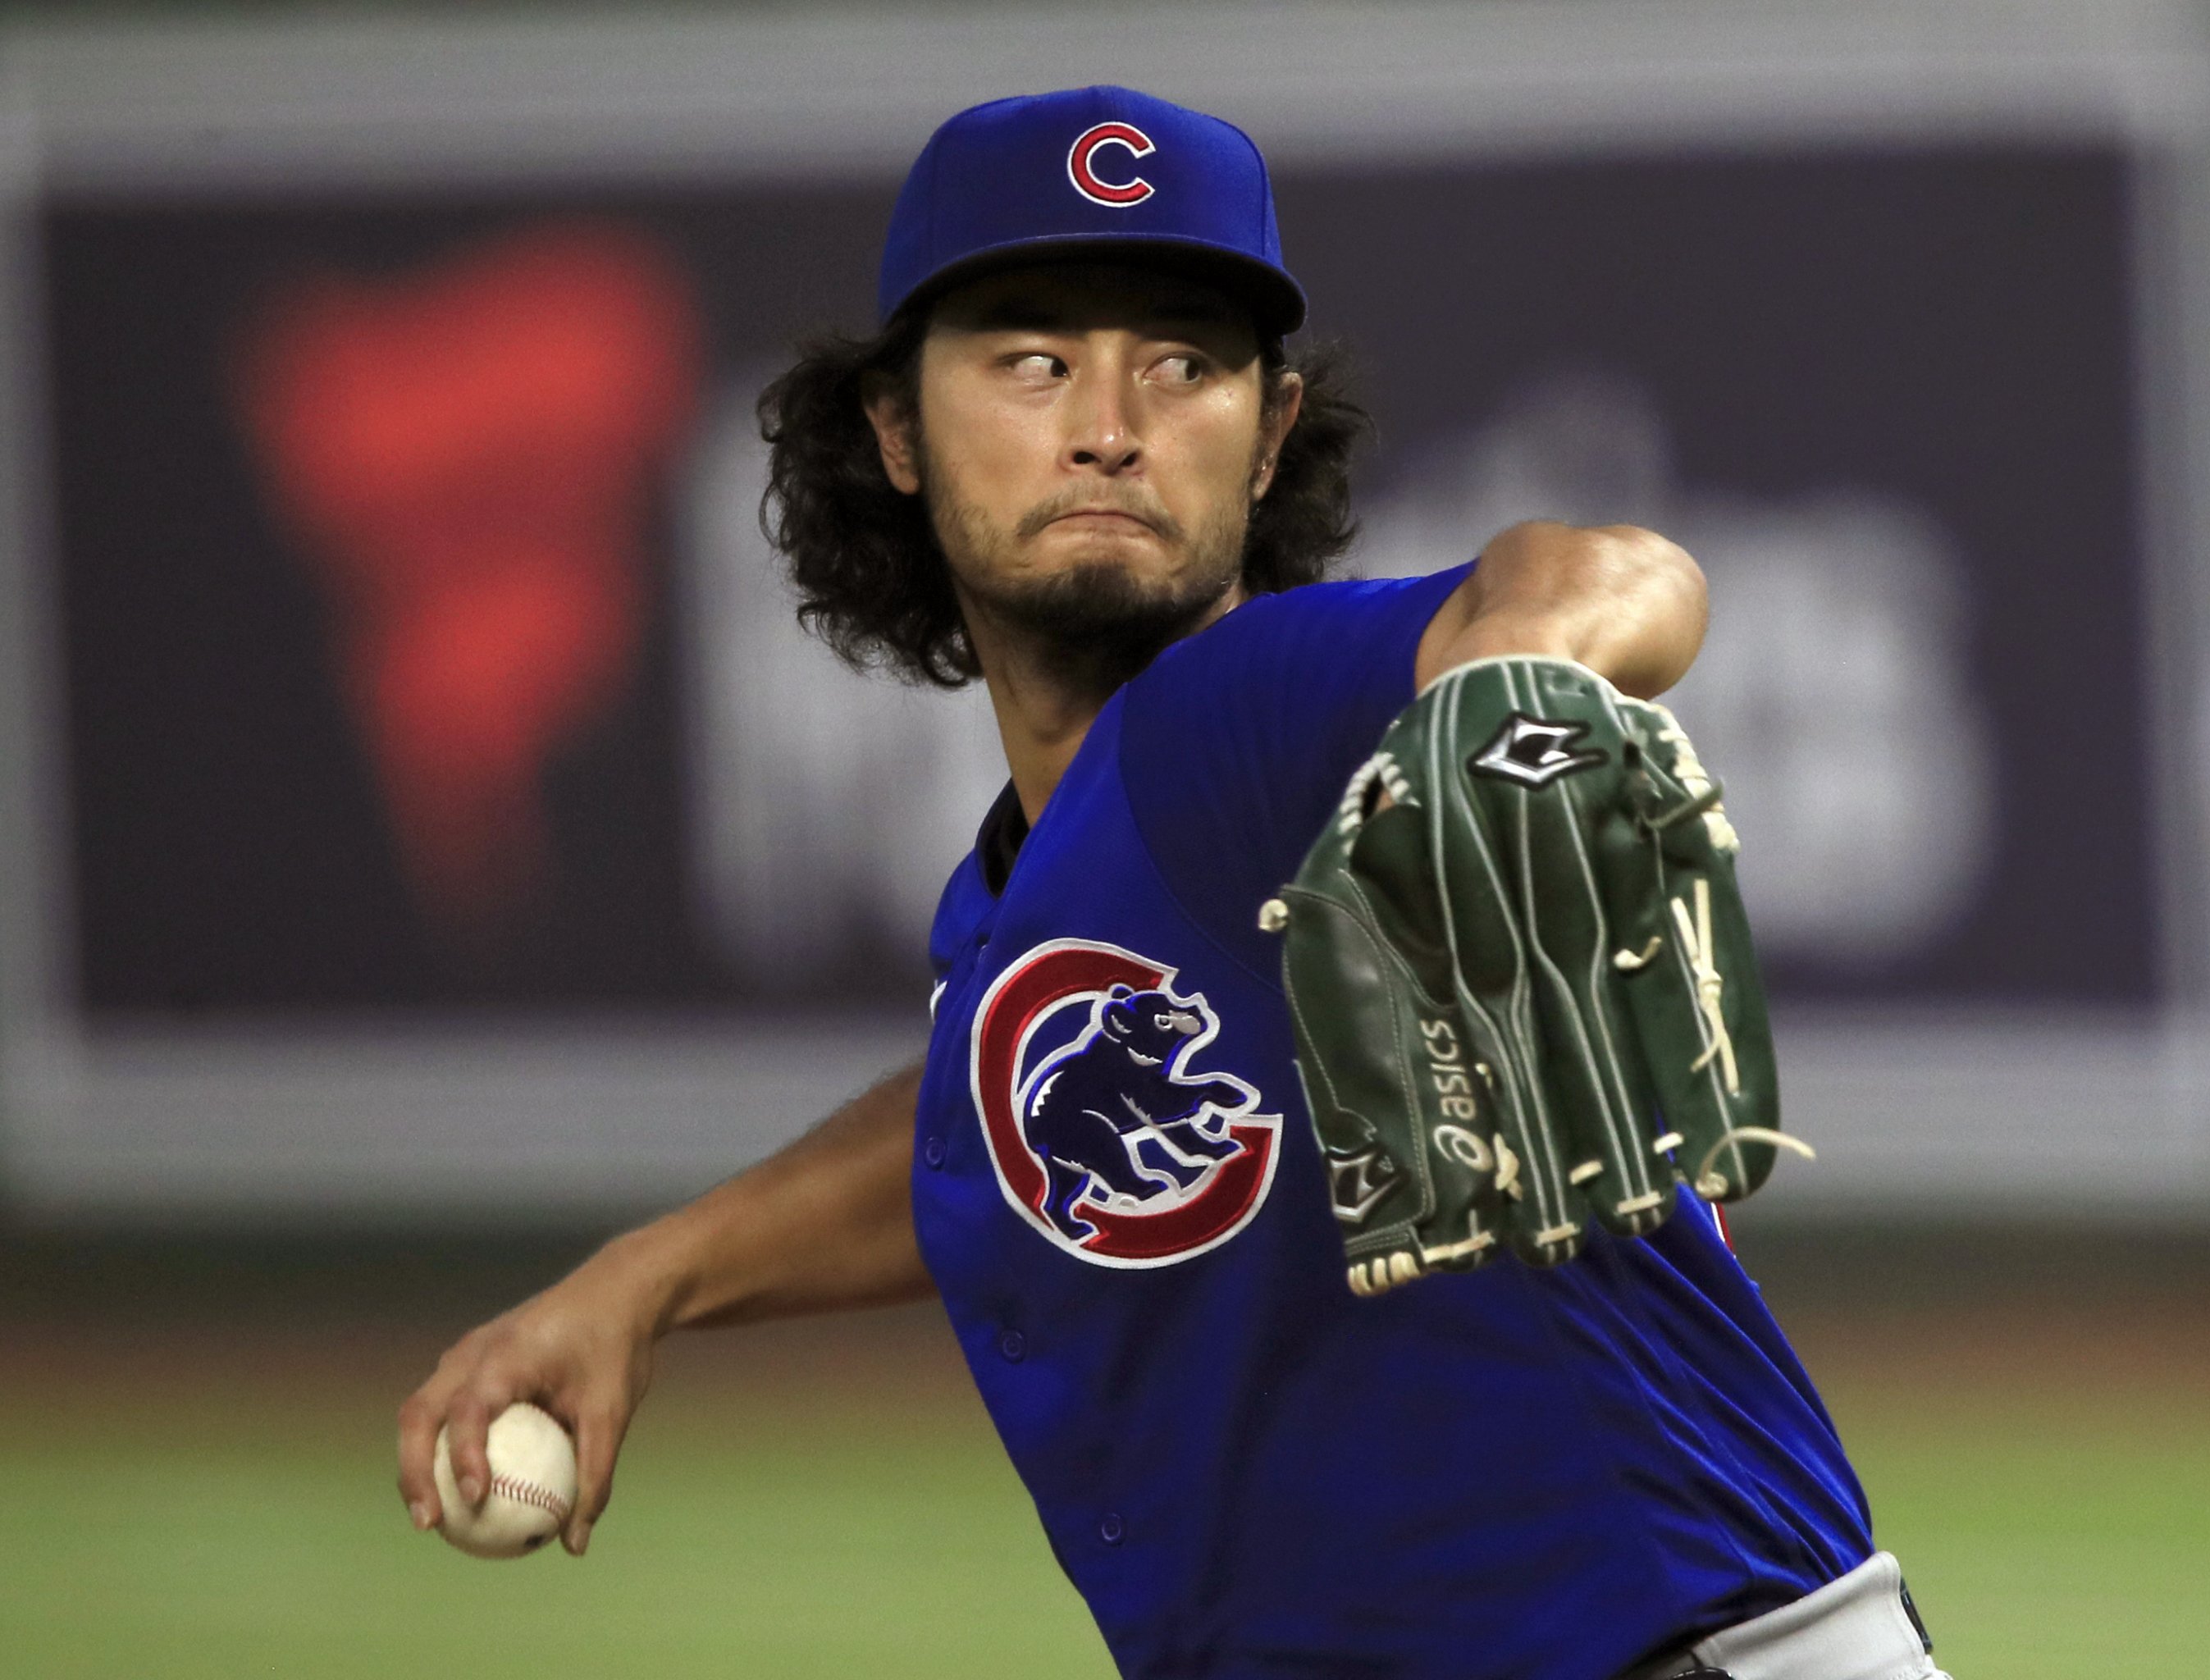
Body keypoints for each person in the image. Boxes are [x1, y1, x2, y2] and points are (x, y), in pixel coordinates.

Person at [397, 85, 1947, 1679]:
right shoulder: (1029, 905)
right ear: (894, 431)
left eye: (1184, 363)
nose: (1108, 422)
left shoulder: (1249, 723)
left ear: (1270, 436)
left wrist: (1505, 691)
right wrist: (645, 1282)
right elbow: (994, 1119)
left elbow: (1604, 574)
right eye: (1031, 356)